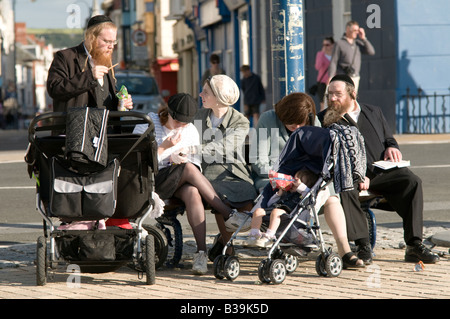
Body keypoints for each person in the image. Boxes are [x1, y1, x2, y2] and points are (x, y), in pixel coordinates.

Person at [318, 74, 440, 264]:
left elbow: (388, 138)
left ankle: (414, 245)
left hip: (380, 173)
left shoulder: (373, 111)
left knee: (412, 181)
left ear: (352, 94)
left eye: (338, 94)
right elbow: (326, 157)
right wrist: (356, 174)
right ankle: (362, 245)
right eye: (330, 94)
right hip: (349, 176)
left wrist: (392, 147)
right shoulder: (323, 120)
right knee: (345, 185)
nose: (332, 98)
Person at [133, 93, 249, 275]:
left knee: (193, 191)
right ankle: (229, 214)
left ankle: (201, 253)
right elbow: (136, 163)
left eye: (185, 123)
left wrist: (179, 159)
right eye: (178, 121)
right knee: (187, 168)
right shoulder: (148, 124)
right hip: (152, 181)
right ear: (168, 112)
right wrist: (164, 149)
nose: (182, 126)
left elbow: (195, 164)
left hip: (179, 181)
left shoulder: (190, 130)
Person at [251, 92, 364, 268]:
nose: (296, 126)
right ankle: (293, 235)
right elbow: (258, 161)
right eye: (291, 122)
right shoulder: (268, 119)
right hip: (272, 179)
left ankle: (344, 249)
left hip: (307, 178)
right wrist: (282, 176)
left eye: (300, 123)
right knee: (306, 197)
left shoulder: (312, 122)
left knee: (332, 198)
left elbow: (321, 159)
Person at [194, 74, 258, 260]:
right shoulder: (198, 116)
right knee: (222, 199)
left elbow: (225, 147)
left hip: (234, 172)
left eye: (205, 92)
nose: (200, 94)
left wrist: (195, 148)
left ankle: (223, 241)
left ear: (219, 97)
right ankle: (228, 250)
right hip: (207, 174)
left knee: (247, 199)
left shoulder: (240, 121)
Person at [47, 15, 133, 113]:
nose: (111, 46)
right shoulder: (66, 57)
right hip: (77, 127)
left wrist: (120, 102)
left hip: (105, 127)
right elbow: (54, 89)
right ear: (91, 37)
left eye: (113, 42)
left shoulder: (105, 60)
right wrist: (89, 76)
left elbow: (104, 98)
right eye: (107, 41)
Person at [246, 169, 320, 248]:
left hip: (291, 212)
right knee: (258, 211)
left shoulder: (304, 195)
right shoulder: (286, 192)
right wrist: (278, 195)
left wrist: (300, 186)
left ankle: (269, 236)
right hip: (275, 209)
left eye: (297, 182)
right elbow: (270, 204)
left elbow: (308, 192)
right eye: (293, 179)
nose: (293, 183)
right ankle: (254, 235)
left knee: (276, 212)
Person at [328, 20, 375, 92]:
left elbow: (371, 52)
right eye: (355, 30)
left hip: (355, 77)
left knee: (353, 98)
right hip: (343, 76)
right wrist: (331, 76)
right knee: (343, 96)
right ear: (347, 29)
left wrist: (363, 38)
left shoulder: (357, 44)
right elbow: (334, 61)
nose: (357, 32)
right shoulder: (339, 43)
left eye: (358, 30)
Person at [314, 37, 334, 111]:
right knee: (323, 104)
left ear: (332, 45)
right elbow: (317, 67)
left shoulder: (335, 55)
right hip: (322, 82)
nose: (325, 47)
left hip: (332, 81)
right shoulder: (320, 54)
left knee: (332, 103)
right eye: (324, 45)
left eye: (327, 45)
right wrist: (321, 54)